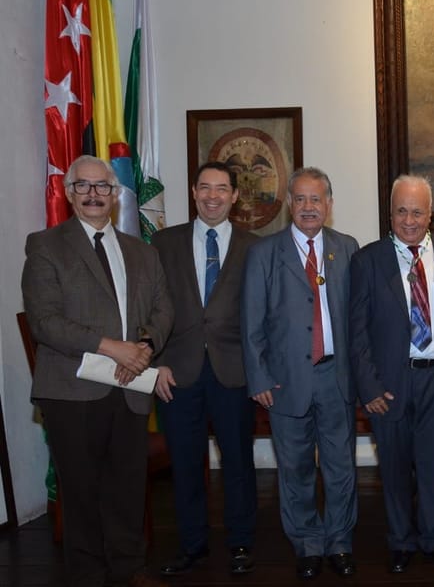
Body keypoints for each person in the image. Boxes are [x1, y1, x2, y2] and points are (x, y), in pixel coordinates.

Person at [21, 155, 174, 587]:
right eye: (83, 186)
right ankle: (87, 575)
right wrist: (116, 350)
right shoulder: (45, 245)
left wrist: (143, 348)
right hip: (71, 389)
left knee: (127, 487)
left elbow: (164, 308)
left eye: (102, 187)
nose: (93, 194)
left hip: (129, 387)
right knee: (81, 491)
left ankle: (130, 569)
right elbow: (44, 321)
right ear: (69, 193)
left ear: (114, 194)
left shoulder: (142, 253)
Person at [241, 167, 360, 580]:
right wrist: (257, 378)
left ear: (329, 204)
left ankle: (340, 541)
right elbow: (251, 323)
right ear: (290, 203)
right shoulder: (263, 253)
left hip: (337, 377)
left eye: (317, 199)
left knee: (341, 466)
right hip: (284, 380)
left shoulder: (347, 248)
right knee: (294, 468)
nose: (309, 207)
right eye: (301, 199)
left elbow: (358, 321)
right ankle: (308, 543)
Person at [349, 175, 434, 573]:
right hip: (390, 383)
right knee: (394, 468)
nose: (409, 220)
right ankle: (400, 541)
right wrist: (369, 388)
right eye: (401, 210)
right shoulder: (367, 259)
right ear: (390, 212)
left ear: (430, 214)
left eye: (417, 211)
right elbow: (357, 332)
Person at [151, 162, 258, 576]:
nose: (213, 196)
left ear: (234, 196)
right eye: (205, 188)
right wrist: (155, 364)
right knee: (185, 463)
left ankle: (242, 543)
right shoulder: (162, 243)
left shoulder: (255, 246)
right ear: (193, 192)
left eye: (222, 189)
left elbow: (265, 315)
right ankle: (192, 545)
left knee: (238, 462)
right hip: (177, 372)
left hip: (235, 371)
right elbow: (149, 308)